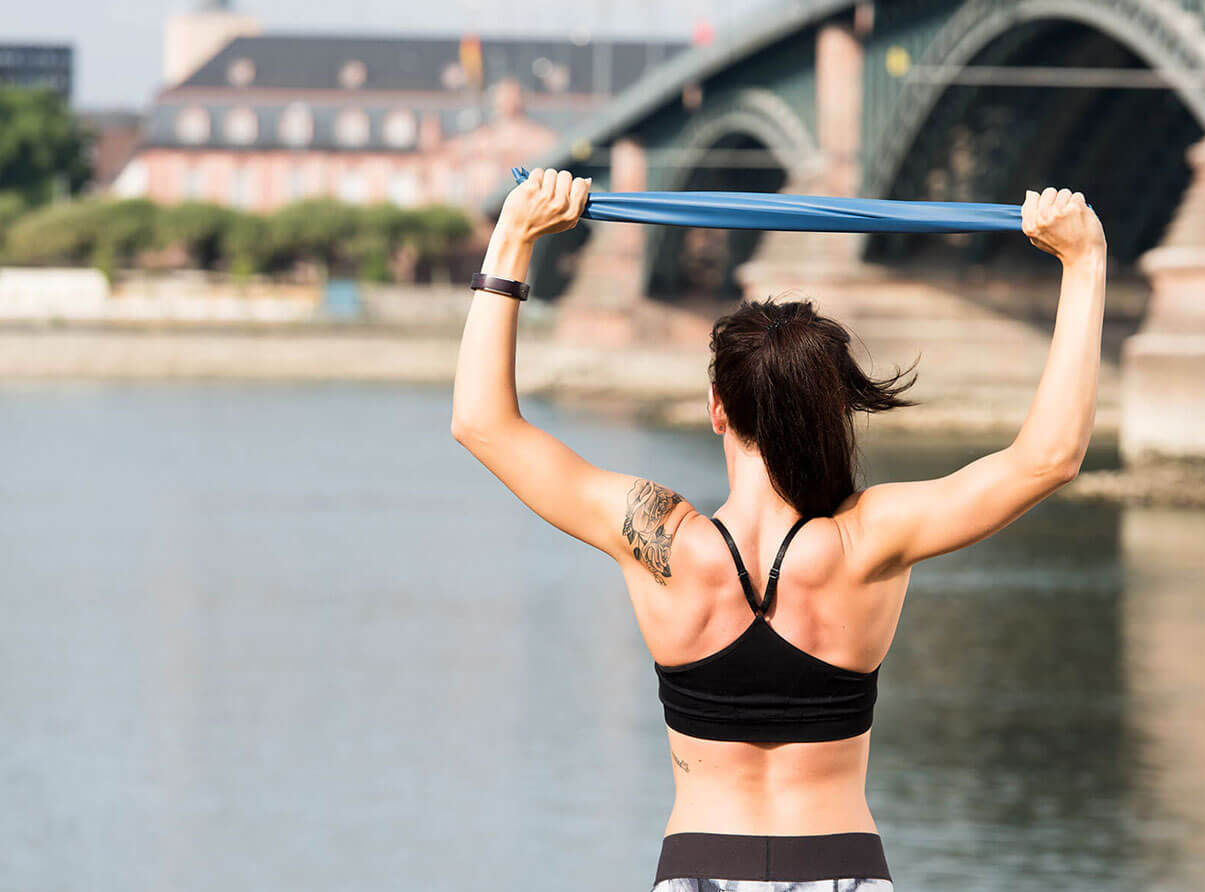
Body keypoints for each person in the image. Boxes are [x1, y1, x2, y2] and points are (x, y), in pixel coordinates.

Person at [452, 168, 1107, 890]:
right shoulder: (869, 541)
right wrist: (1083, 264)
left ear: (716, 408)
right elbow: (1050, 457)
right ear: (834, 411)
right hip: (842, 871)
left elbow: (482, 423)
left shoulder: (662, 541)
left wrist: (514, 239)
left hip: (699, 870)